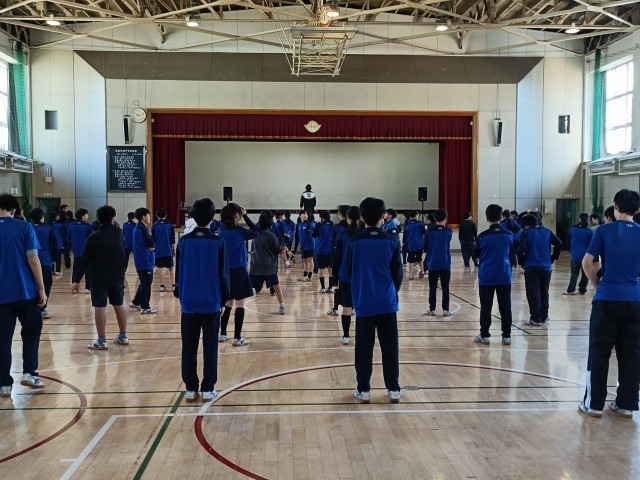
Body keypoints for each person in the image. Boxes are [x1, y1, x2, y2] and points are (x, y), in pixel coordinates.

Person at [579, 189, 640, 418]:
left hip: (607, 298)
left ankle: (594, 404)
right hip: (634, 300)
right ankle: (626, 404)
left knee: (599, 351)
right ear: (637, 210)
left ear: (615, 206)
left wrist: (597, 285)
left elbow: (587, 263)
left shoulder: (603, 231)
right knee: (631, 353)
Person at [346, 197, 403, 403]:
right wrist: (390, 292)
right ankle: (393, 389)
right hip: (387, 302)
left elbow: (348, 271)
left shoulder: (354, 242)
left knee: (363, 348)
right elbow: (398, 274)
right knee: (390, 347)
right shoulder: (392, 241)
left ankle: (363, 390)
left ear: (362, 217)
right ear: (382, 216)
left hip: (364, 302)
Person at [174, 198, 229, 403]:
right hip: (211, 301)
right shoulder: (218, 242)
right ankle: (208, 388)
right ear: (212, 217)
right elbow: (223, 275)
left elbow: (179, 273)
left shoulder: (183, 242)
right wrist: (223, 300)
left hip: (189, 302)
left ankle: (190, 388)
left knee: (188, 347)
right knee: (210, 347)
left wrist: (180, 293)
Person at [0, 193, 48, 397]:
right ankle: (29, 373)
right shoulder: (24, 227)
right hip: (26, 292)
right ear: (15, 210)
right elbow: (33, 259)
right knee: (31, 333)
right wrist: (41, 288)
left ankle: (4, 384)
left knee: (2, 340)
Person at [71, 205, 129, 350]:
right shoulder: (119, 233)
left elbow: (84, 261)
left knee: (100, 306)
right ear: (113, 218)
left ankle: (102, 341)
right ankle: (123, 336)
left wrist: (76, 281)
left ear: (98, 219)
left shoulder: (94, 237)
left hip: (98, 277)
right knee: (119, 304)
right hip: (117, 276)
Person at [472, 204, 514, 345]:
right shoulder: (509, 235)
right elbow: (512, 252)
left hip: (486, 276)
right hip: (504, 275)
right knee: (505, 306)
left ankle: (484, 335)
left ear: (486, 218)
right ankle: (506, 336)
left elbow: (475, 253)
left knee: (486, 307)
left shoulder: (483, 236)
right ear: (501, 217)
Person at [218, 203, 258, 346]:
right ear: (236, 215)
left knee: (228, 302)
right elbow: (255, 231)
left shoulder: (221, 230)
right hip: (239, 270)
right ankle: (237, 337)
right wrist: (246, 216)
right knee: (240, 304)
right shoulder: (240, 231)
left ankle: (222, 333)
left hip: (225, 271)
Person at [517, 214, 562, 326]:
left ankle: (535, 318)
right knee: (544, 292)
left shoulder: (526, 233)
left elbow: (521, 249)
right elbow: (559, 243)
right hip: (546, 266)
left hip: (531, 266)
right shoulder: (547, 231)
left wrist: (521, 261)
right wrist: (552, 258)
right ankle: (544, 316)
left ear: (525, 224)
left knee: (533, 292)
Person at [332, 206, 361, 343]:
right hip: (362, 276)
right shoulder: (364, 235)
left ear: (347, 218)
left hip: (345, 276)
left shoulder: (342, 235)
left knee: (346, 307)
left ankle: (346, 335)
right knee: (361, 307)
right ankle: (362, 335)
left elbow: (336, 258)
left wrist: (334, 277)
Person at [250, 211, 287, 315]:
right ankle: (282, 306)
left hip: (255, 266)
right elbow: (277, 250)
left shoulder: (254, 235)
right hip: (269, 267)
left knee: (248, 287)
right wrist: (284, 241)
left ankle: (237, 307)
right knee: (276, 286)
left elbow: (252, 249)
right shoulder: (271, 236)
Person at [424, 209, 453, 317]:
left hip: (432, 263)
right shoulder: (449, 232)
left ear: (435, 218)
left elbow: (425, 246)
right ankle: (446, 310)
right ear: (445, 218)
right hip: (445, 263)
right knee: (446, 287)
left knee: (432, 287)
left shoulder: (429, 232)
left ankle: (432, 309)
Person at [29, 208, 58, 319]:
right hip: (45, 261)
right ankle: (42, 308)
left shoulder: (28, 228)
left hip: (29, 262)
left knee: (32, 284)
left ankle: (32, 308)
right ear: (41, 217)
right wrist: (54, 259)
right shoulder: (49, 228)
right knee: (46, 284)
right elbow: (55, 244)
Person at [130, 207, 156, 314]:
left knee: (144, 282)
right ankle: (145, 307)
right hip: (145, 260)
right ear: (143, 217)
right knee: (146, 284)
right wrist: (153, 247)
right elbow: (151, 243)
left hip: (142, 260)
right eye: (148, 215)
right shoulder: (143, 229)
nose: (150, 218)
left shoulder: (139, 227)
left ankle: (136, 302)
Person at [328, 205, 350, 316]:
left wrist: (332, 262)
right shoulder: (358, 228)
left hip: (341, 262)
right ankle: (353, 308)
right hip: (354, 264)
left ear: (340, 214)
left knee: (337, 285)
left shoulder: (337, 228)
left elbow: (334, 247)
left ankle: (335, 308)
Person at [564, 212, 592, 296]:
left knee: (574, 273)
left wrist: (571, 251)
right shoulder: (589, 231)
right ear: (587, 219)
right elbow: (591, 245)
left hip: (575, 255)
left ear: (579, 219)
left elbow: (568, 242)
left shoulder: (572, 229)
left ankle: (571, 289)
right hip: (585, 256)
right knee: (585, 274)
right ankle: (582, 289)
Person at [67, 208, 93, 293]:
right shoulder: (87, 226)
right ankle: (88, 287)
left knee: (76, 269)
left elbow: (68, 238)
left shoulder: (71, 226)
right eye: (86, 214)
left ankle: (74, 286)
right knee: (88, 269)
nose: (87, 216)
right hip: (86, 251)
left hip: (76, 251)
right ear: (82, 216)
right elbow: (91, 239)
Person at [152, 208, 176, 292]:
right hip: (168, 249)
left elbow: (153, 239)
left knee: (160, 268)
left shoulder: (154, 226)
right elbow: (172, 238)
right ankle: (173, 286)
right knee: (171, 267)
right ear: (166, 215)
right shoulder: (170, 225)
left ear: (157, 216)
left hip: (158, 250)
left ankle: (161, 286)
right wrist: (173, 249)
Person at [313, 210, 334, 293]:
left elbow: (313, 234)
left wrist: (317, 224)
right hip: (330, 251)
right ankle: (330, 287)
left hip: (321, 250)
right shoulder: (332, 225)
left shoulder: (319, 226)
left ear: (322, 218)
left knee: (321, 269)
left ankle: (323, 288)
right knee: (330, 269)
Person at [404, 210, 426, 280]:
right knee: (420, 258)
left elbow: (406, 235)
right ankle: (422, 271)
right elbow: (424, 232)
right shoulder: (420, 223)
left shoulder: (407, 224)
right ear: (416, 215)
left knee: (411, 260)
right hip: (419, 244)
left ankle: (411, 274)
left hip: (411, 245)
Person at [296, 210, 316, 282]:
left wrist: (303, 245)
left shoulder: (309, 224)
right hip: (303, 246)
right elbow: (298, 236)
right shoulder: (298, 224)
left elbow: (308, 236)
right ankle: (305, 276)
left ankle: (309, 276)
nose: (305, 215)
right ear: (300, 216)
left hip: (310, 245)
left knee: (310, 260)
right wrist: (298, 246)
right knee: (304, 260)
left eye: (306, 214)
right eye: (303, 214)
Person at [51, 211, 64, 276]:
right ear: (56, 216)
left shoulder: (49, 224)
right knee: (58, 258)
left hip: (51, 244)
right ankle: (58, 270)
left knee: (52, 257)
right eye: (58, 215)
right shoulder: (59, 225)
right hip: (58, 243)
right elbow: (62, 234)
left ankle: (52, 270)